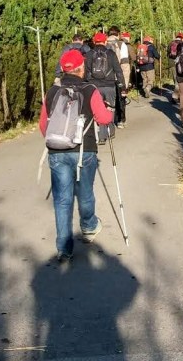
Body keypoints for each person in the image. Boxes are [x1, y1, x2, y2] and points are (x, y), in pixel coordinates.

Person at [39, 49, 114, 263]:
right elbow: (103, 118)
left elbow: (43, 124)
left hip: (56, 151)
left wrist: (56, 140)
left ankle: (64, 248)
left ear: (63, 69)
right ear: (82, 68)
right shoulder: (90, 90)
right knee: (85, 192)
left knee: (62, 200)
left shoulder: (52, 91)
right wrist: (110, 113)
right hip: (85, 150)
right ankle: (89, 227)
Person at [87, 31, 126, 127]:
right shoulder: (111, 53)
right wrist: (122, 87)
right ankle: (110, 129)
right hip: (109, 86)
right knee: (110, 108)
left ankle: (98, 130)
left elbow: (86, 71)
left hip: (93, 86)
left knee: (95, 109)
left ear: (94, 42)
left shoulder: (88, 54)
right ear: (105, 42)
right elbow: (118, 71)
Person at [167, 32, 183, 103]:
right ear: (181, 38)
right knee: (179, 81)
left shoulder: (171, 43)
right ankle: (175, 97)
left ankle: (177, 96)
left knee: (175, 80)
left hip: (172, 64)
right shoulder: (182, 44)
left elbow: (167, 52)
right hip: (180, 64)